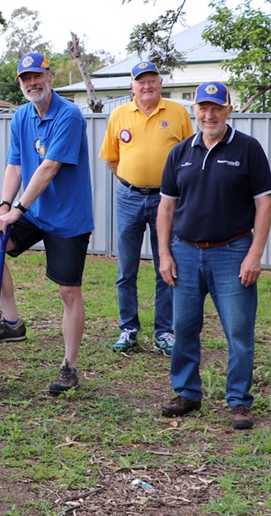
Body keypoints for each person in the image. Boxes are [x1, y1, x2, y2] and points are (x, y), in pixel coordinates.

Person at [0, 52, 94, 394]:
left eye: (36, 75)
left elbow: (49, 168)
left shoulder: (68, 116)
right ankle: (11, 322)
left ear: (49, 75)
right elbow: (14, 166)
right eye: (25, 78)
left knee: (68, 292)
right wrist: (3, 205)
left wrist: (18, 209)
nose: (32, 83)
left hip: (68, 218)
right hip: (33, 212)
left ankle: (69, 366)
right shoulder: (22, 117)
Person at [156, 81, 271, 430]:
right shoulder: (180, 153)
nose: (209, 115)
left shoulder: (248, 149)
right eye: (203, 108)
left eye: (216, 108)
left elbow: (264, 204)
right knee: (184, 327)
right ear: (194, 110)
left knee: (238, 331)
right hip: (186, 252)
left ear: (229, 110)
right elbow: (166, 207)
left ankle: (238, 401)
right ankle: (187, 393)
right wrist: (164, 253)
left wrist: (254, 254)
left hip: (233, 252)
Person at [99, 60, 193, 355]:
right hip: (129, 198)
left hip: (167, 201)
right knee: (126, 268)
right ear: (132, 86)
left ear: (160, 83)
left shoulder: (178, 112)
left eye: (152, 80)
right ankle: (128, 328)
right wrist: (134, 181)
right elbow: (112, 159)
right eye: (141, 82)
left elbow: (190, 157)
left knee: (166, 267)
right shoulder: (119, 115)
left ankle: (164, 332)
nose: (147, 86)